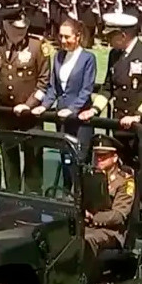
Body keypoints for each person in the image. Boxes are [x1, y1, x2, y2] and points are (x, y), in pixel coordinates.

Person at [0, 9, 51, 194]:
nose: (21, 32)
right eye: (16, 29)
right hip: (4, 112)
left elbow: (44, 81)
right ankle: (11, 197)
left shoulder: (38, 45)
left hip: (30, 115)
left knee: (33, 162)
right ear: (5, 26)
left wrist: (29, 104)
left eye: (24, 28)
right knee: (10, 159)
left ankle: (34, 201)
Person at [81, 13, 142, 168]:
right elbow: (108, 88)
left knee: (141, 171)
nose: (108, 41)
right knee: (122, 171)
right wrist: (94, 110)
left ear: (123, 35)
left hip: (141, 128)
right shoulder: (115, 55)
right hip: (119, 125)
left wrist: (138, 116)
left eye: (110, 36)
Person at [32, 18, 97, 188]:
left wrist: (72, 109)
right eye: (61, 36)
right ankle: (67, 195)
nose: (63, 41)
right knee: (65, 156)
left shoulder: (88, 58)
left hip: (80, 119)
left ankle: (82, 198)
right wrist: (44, 105)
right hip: (61, 117)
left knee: (80, 159)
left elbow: (86, 89)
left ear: (78, 36)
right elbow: (53, 87)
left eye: (67, 37)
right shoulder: (59, 56)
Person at [84, 135, 136, 284]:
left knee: (87, 240)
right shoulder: (90, 177)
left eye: (103, 156)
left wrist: (93, 218)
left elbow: (119, 215)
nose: (98, 159)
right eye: (97, 156)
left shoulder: (125, 181)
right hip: (87, 224)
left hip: (111, 231)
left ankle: (86, 281)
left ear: (114, 158)